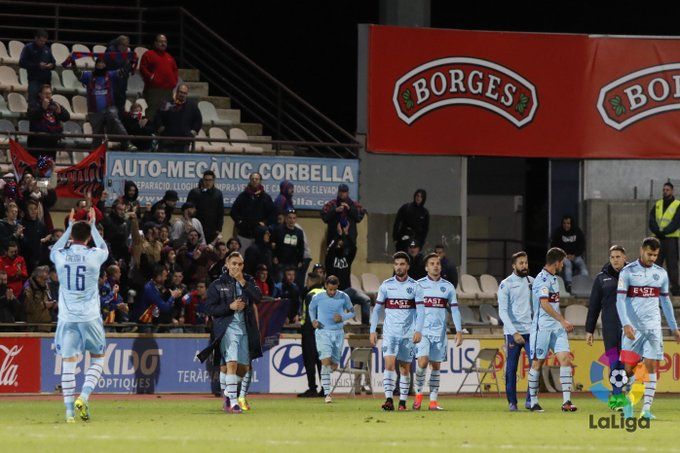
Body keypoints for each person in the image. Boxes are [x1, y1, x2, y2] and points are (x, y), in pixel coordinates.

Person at [50, 208, 108, 423]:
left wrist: (68, 227)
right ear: (88, 237)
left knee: (68, 363)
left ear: (71, 236)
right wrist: (93, 226)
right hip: (90, 316)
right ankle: (83, 397)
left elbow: (53, 249)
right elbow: (104, 248)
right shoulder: (94, 255)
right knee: (98, 359)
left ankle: (69, 414)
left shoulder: (61, 255)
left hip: (67, 317)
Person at [617, 237, 680, 420]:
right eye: (649, 254)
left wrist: (674, 327)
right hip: (632, 329)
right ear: (641, 250)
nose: (652, 258)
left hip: (653, 328)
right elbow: (620, 300)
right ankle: (629, 404)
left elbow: (665, 302)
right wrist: (625, 324)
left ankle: (646, 410)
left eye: (655, 255)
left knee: (650, 366)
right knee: (629, 370)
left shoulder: (661, 274)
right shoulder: (628, 272)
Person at [202, 252, 262, 414]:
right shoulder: (217, 284)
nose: (236, 267)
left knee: (243, 368)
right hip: (227, 328)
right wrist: (230, 307)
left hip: (245, 329)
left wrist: (242, 281)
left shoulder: (248, 281)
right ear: (227, 265)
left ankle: (228, 395)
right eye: (234, 263)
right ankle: (233, 403)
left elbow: (258, 298)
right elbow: (209, 308)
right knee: (231, 364)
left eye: (240, 264)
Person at [370, 252, 422, 411]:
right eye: (397, 264)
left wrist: (418, 330)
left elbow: (421, 311)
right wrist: (372, 330)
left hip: (408, 334)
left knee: (405, 368)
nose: (399, 267)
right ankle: (389, 400)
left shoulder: (415, 286)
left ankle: (403, 402)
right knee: (389, 364)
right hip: (390, 333)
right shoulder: (386, 285)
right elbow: (377, 309)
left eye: (402, 264)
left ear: (407, 266)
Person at [528, 247, 577, 413]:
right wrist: (562, 320)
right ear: (557, 262)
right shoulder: (541, 279)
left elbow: (554, 304)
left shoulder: (555, 279)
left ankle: (567, 402)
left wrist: (560, 322)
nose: (563, 265)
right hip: (542, 327)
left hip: (556, 327)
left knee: (565, 359)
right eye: (562, 262)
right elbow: (544, 304)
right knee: (537, 363)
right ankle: (533, 402)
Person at [412, 253, 462, 411]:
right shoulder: (418, 285)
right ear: (426, 267)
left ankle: (433, 401)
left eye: (438, 263)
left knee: (436, 366)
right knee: (422, 362)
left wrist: (459, 330)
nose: (435, 266)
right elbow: (411, 309)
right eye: (432, 263)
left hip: (440, 333)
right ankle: (418, 395)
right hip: (423, 331)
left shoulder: (448, 287)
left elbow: (455, 310)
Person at [585, 245, 627, 410]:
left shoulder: (633, 275)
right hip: (609, 326)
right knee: (614, 362)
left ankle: (621, 392)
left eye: (618, 257)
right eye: (612, 257)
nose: (615, 260)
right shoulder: (601, 278)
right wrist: (589, 329)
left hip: (629, 326)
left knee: (626, 363)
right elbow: (594, 305)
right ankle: (617, 396)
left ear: (624, 257)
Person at [309, 275, 355, 404]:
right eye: (330, 289)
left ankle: (326, 376)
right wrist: (313, 320)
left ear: (337, 287)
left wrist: (342, 317)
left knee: (334, 365)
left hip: (338, 333)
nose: (332, 292)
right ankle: (327, 394)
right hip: (323, 332)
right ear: (325, 286)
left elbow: (353, 312)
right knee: (325, 362)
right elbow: (311, 308)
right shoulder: (318, 297)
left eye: (334, 289)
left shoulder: (344, 296)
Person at [497, 251, 533, 411]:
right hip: (513, 333)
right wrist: (514, 332)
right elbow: (502, 312)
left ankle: (531, 400)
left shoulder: (532, 282)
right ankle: (512, 402)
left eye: (526, 262)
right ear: (514, 266)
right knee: (511, 369)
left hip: (531, 331)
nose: (524, 266)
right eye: (521, 263)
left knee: (535, 365)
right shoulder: (506, 284)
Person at [73, 57, 130, 148]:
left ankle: (127, 142)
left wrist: (129, 62)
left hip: (109, 108)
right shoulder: (89, 76)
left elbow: (123, 71)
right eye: (99, 63)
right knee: (97, 135)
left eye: (103, 63)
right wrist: (73, 63)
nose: (101, 64)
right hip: (94, 111)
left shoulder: (110, 75)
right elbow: (78, 73)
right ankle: (95, 155)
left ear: (105, 65)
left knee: (116, 121)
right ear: (96, 65)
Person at [324, 225, 370, 324]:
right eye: (338, 244)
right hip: (335, 293)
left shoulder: (347, 258)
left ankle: (365, 327)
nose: (340, 246)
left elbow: (354, 248)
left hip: (348, 291)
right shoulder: (330, 260)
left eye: (342, 244)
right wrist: (339, 235)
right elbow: (329, 249)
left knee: (366, 300)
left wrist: (347, 234)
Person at [230, 172, 275, 252]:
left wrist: (265, 223)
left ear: (260, 181)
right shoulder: (243, 196)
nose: (254, 181)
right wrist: (240, 222)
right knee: (242, 257)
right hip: (244, 234)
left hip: (260, 236)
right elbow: (233, 212)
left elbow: (272, 214)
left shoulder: (266, 198)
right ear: (250, 181)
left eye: (256, 179)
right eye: (252, 179)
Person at [649, 182, 680, 295]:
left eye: (667, 190)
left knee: (672, 266)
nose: (665, 192)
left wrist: (664, 232)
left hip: (671, 240)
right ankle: (655, 288)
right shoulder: (658, 204)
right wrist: (658, 232)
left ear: (672, 191)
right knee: (656, 264)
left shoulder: (677, 205)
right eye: (664, 190)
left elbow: (676, 222)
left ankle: (675, 290)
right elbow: (651, 220)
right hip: (658, 239)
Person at [139, 34, 178, 121]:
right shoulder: (148, 54)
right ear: (155, 43)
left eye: (165, 42)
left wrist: (174, 82)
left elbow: (175, 70)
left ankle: (163, 129)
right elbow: (143, 68)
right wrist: (151, 78)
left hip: (168, 90)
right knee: (152, 112)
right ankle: (149, 128)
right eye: (161, 41)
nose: (163, 44)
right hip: (154, 89)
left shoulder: (169, 57)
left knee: (166, 112)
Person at [153, 84, 202, 151]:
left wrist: (193, 132)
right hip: (166, 141)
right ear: (177, 92)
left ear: (187, 94)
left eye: (185, 93)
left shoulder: (192, 106)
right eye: (181, 92)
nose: (182, 95)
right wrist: (160, 127)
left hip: (184, 142)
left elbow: (198, 120)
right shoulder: (167, 103)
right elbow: (157, 116)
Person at [298, 272, 324, 397]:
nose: (306, 283)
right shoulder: (326, 293)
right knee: (321, 361)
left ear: (311, 281)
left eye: (307, 281)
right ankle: (325, 389)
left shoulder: (310, 295)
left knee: (310, 360)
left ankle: (312, 388)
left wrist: (305, 329)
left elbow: (309, 317)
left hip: (310, 333)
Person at [26, 84, 70, 159]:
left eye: (49, 93)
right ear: (40, 94)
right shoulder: (34, 104)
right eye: (46, 93)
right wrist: (42, 108)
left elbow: (66, 117)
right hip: (38, 143)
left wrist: (60, 112)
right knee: (40, 164)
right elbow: (31, 117)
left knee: (49, 164)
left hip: (52, 143)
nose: (48, 96)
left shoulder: (54, 104)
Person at [550, 215, 588, 292]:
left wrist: (574, 255)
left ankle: (585, 283)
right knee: (568, 264)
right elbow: (554, 247)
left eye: (568, 223)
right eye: (564, 223)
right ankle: (569, 284)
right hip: (563, 256)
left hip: (576, 255)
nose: (566, 225)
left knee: (582, 266)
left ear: (571, 224)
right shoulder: (558, 232)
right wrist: (564, 255)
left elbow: (582, 246)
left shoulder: (577, 231)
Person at [186, 170, 224, 244]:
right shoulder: (194, 192)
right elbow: (187, 210)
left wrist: (219, 229)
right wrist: (188, 222)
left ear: (213, 180)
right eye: (206, 180)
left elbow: (220, 212)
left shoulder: (218, 194)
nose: (208, 182)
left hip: (212, 229)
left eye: (210, 180)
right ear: (203, 180)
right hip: (196, 227)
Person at [19, 29, 55, 103]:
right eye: (41, 41)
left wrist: (51, 65)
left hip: (46, 80)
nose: (43, 43)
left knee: (47, 103)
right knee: (33, 102)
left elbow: (53, 62)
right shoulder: (28, 48)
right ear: (36, 38)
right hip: (34, 80)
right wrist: (37, 65)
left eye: (44, 41)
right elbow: (22, 63)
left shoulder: (47, 49)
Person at [271, 209, 304, 281]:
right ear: (286, 218)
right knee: (280, 282)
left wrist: (301, 261)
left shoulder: (299, 232)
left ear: (296, 219)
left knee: (292, 283)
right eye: (290, 218)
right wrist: (274, 256)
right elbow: (273, 245)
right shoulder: (278, 230)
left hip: (293, 264)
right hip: (280, 262)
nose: (292, 220)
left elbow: (301, 247)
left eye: (294, 218)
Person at [104, 35, 132, 115]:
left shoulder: (126, 53)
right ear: (118, 44)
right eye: (124, 45)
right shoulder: (110, 51)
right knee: (111, 105)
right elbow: (112, 64)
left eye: (127, 45)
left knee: (121, 105)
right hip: (112, 84)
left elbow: (128, 68)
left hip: (122, 83)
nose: (126, 48)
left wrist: (128, 63)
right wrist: (125, 61)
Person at [24, 265, 56, 332]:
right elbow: (28, 308)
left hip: (46, 327)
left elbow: (49, 299)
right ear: (38, 278)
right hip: (34, 327)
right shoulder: (28, 288)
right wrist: (44, 305)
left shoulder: (45, 286)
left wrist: (53, 305)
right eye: (44, 279)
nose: (46, 282)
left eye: (47, 279)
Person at [21, 199, 48, 274]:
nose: (33, 211)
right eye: (31, 209)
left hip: (37, 259)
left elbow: (44, 242)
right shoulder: (21, 224)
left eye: (35, 209)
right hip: (24, 258)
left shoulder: (41, 225)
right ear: (27, 210)